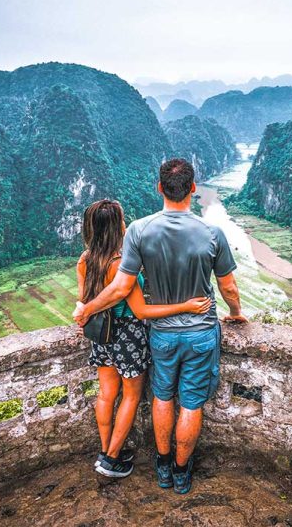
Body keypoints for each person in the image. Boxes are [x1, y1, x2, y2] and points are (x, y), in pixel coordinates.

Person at [74, 158, 247, 495]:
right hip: (200, 333)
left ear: (159, 188)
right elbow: (228, 288)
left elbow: (121, 288)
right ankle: (182, 472)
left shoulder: (139, 229)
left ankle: (163, 465)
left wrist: (87, 309)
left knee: (162, 398)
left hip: (162, 334)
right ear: (193, 189)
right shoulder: (213, 233)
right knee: (192, 404)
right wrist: (237, 311)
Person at [75, 199, 212, 479]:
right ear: (119, 227)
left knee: (106, 394)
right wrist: (186, 306)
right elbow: (141, 310)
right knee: (131, 396)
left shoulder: (85, 260)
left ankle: (105, 451)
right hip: (127, 335)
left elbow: (84, 301)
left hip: (100, 335)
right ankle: (112, 459)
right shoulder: (120, 266)